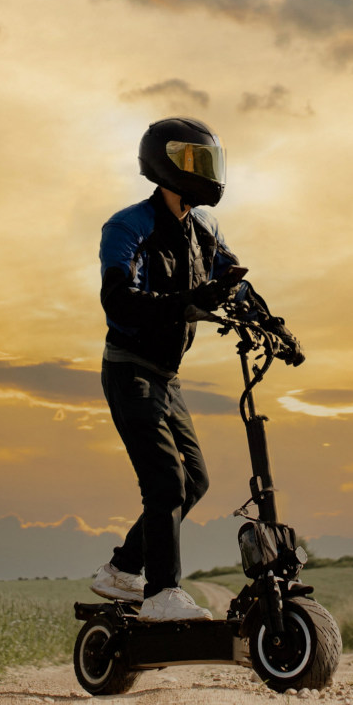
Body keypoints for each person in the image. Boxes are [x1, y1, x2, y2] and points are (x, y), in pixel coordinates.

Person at [89, 117, 247, 622]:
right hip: (129, 367)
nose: (205, 173)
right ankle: (161, 593)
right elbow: (118, 300)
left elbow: (231, 282)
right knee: (165, 483)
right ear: (165, 162)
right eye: (193, 161)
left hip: (166, 375)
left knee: (193, 481)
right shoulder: (128, 226)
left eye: (209, 162)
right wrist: (183, 304)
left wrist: (270, 322)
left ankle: (122, 570)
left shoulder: (203, 229)